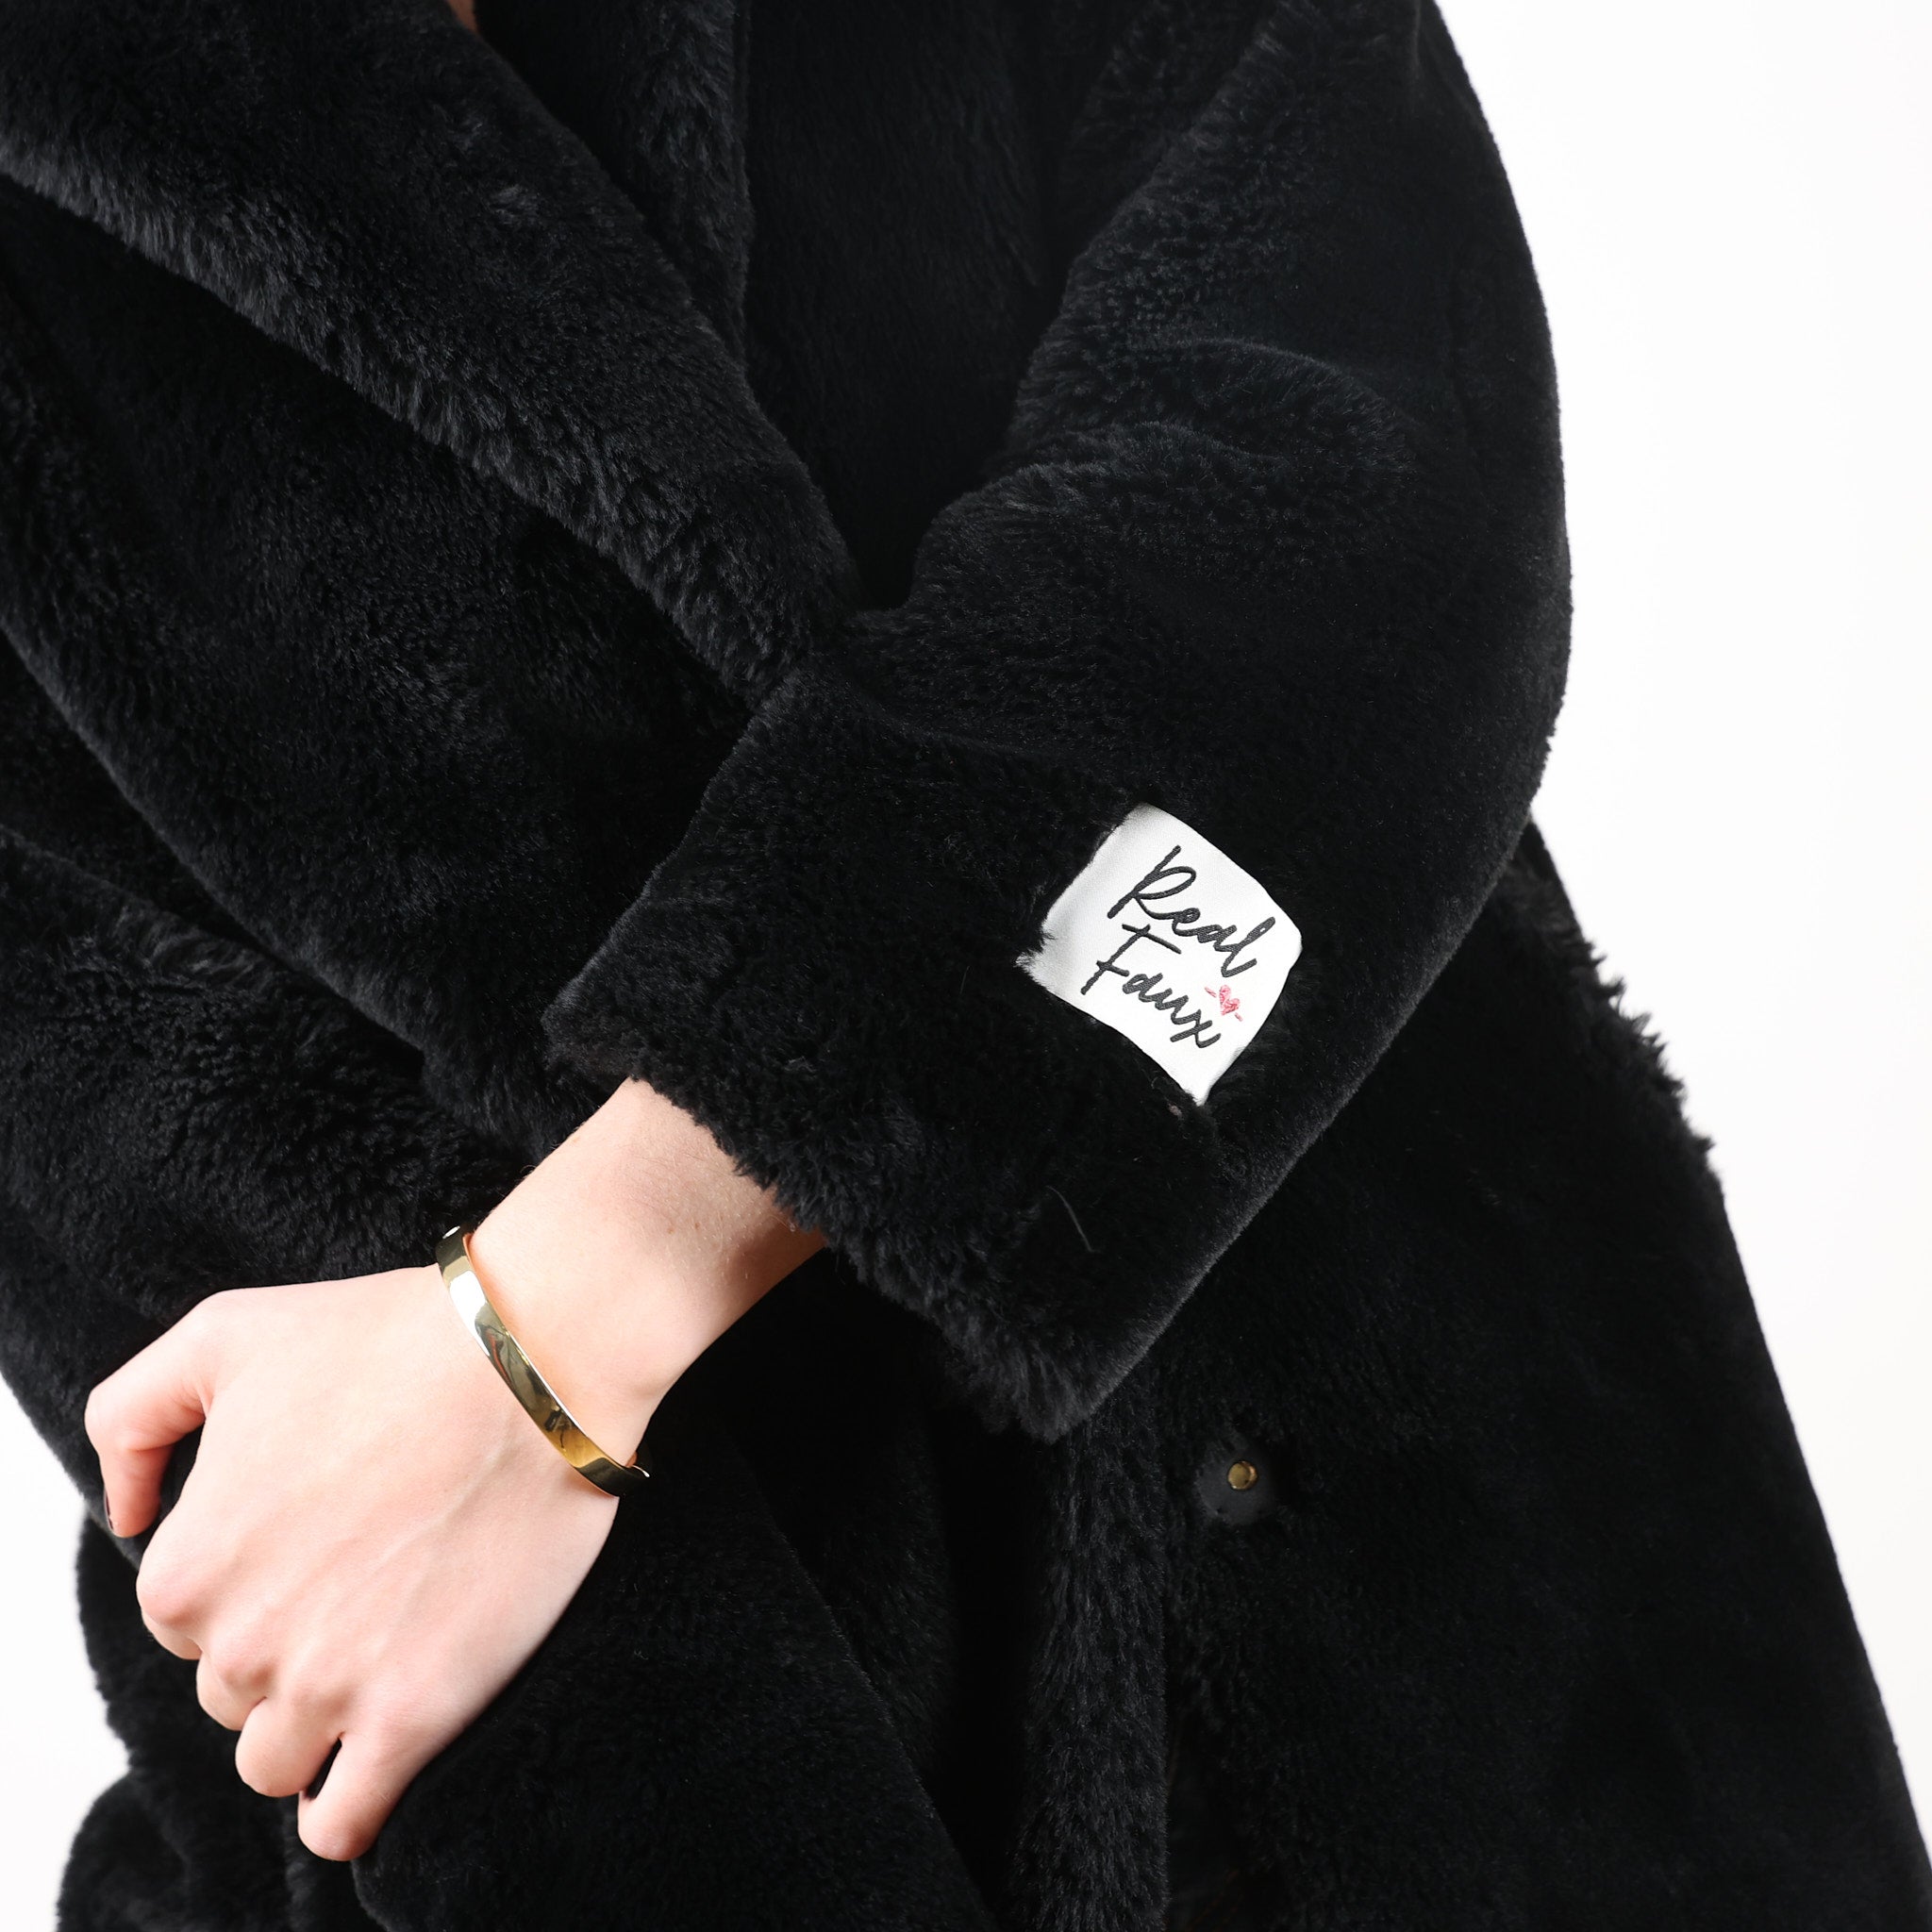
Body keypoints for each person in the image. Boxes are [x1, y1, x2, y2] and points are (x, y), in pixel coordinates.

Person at [0, 1, 1925, 1926]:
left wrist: (592, 1282)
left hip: (1508, 1596)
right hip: (671, 1759)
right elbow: (228, 1294)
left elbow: (1358, 503)